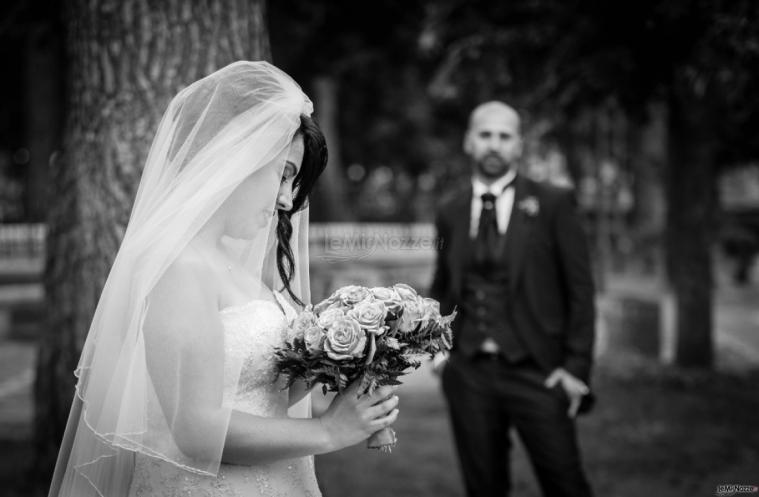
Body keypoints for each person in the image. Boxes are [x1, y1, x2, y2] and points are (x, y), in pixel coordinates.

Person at [48, 61, 399, 497]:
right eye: (285, 175)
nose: (288, 201)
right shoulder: (181, 269)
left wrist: (335, 359)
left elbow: (258, 395)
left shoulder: (241, 271)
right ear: (239, 158)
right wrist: (329, 432)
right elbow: (196, 430)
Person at [431, 101, 595, 497]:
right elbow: (443, 284)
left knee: (566, 484)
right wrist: (438, 351)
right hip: (468, 373)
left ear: (519, 145)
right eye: (485, 134)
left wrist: (575, 369)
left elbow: (580, 290)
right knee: (483, 487)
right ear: (470, 142)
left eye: (505, 136)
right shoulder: (450, 210)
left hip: (538, 370)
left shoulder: (554, 203)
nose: (494, 144)